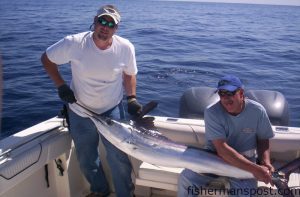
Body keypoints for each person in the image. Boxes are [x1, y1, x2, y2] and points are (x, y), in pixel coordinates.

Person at [41, 5, 141, 197]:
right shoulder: (74, 42)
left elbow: (129, 75)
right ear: (94, 21)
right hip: (80, 111)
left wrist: (132, 98)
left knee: (118, 157)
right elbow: (46, 59)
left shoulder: (125, 47)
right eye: (102, 21)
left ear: (116, 28)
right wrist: (61, 86)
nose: (105, 26)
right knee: (87, 158)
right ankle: (99, 191)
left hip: (112, 110)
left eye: (111, 24)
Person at [178, 75, 275, 197]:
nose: (225, 98)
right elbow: (222, 150)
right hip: (214, 158)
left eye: (230, 93)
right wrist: (256, 169)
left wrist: (265, 162)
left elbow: (263, 139)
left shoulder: (257, 110)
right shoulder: (211, 112)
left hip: (245, 161)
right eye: (221, 94)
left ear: (241, 93)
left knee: (245, 193)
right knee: (186, 178)